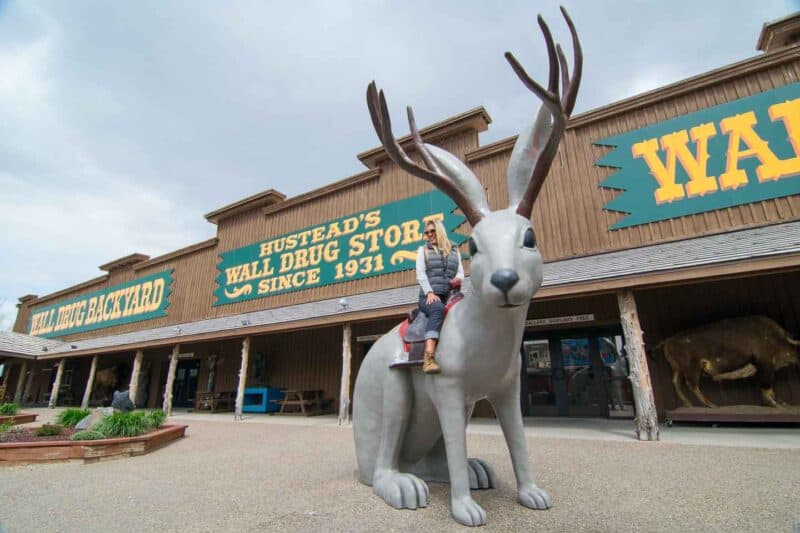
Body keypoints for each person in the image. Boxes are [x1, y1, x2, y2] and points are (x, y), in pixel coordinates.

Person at [416, 217, 465, 374]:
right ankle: (428, 358)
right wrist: (429, 292)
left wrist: (458, 279)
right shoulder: (422, 251)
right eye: (427, 232)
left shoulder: (454, 250)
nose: (429, 234)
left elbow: (461, 272)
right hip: (428, 297)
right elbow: (421, 274)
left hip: (450, 294)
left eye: (432, 231)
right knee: (437, 309)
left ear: (440, 231)